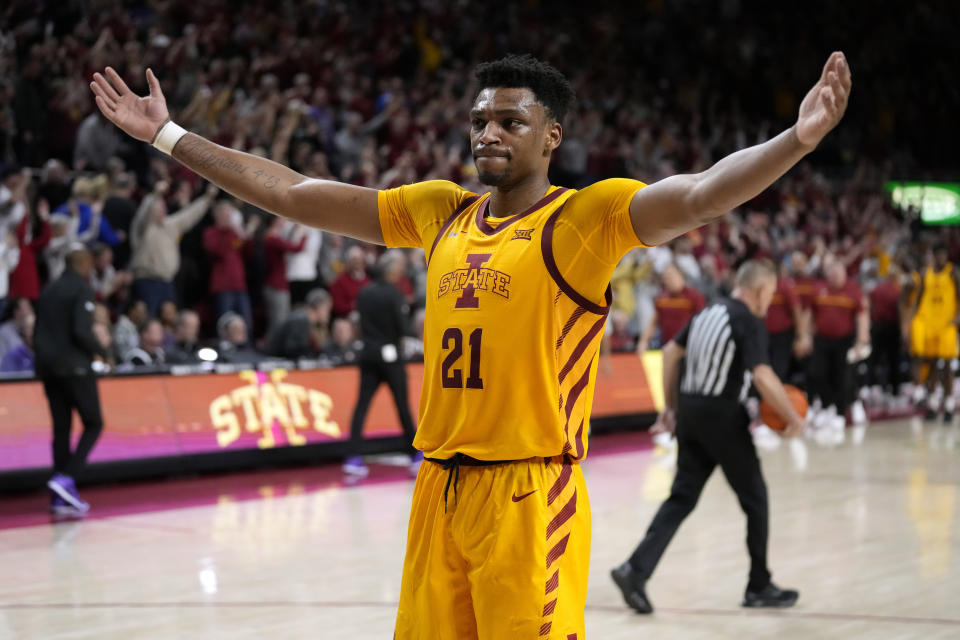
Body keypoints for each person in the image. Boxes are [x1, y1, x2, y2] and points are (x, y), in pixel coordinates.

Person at [91, 50, 851, 638]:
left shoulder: (587, 220)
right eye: (480, 119)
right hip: (439, 489)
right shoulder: (439, 212)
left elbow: (701, 193)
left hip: (528, 493)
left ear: (552, 136)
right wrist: (166, 134)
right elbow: (292, 193)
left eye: (510, 122)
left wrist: (796, 138)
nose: (488, 132)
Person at [611, 260, 805, 613]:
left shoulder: (707, 311)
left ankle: (634, 569)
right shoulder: (748, 319)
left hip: (689, 411)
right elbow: (762, 376)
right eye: (771, 293)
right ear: (761, 290)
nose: (770, 300)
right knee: (756, 499)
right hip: (721, 415)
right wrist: (793, 417)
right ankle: (759, 585)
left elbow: (670, 354)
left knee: (681, 498)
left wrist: (668, 407)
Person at [34, 246, 109, 517]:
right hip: (74, 367)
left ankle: (60, 498)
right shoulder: (81, 288)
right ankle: (66, 478)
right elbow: (81, 330)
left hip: (47, 368)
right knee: (94, 422)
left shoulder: (49, 290)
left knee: (61, 429)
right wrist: (103, 351)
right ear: (83, 263)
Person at [343, 251, 420, 477]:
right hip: (391, 358)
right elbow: (403, 329)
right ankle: (415, 455)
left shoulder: (364, 293)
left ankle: (352, 456)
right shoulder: (395, 295)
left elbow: (359, 325)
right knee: (402, 406)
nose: (401, 273)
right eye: (399, 268)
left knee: (362, 406)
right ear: (391, 270)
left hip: (368, 355)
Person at [130, 179, 217, 315]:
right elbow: (144, 214)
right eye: (158, 207)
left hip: (167, 281)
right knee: (147, 318)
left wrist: (207, 198)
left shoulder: (170, 225)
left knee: (170, 319)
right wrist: (156, 194)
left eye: (162, 206)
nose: (162, 209)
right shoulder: (144, 227)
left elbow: (189, 215)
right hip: (147, 280)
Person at [807, 259, 870, 440]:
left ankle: (840, 413)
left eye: (838, 274)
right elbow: (810, 314)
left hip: (845, 340)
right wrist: (807, 336)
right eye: (831, 274)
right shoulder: (819, 289)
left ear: (844, 274)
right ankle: (827, 406)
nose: (834, 278)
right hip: (822, 339)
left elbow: (862, 315)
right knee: (817, 373)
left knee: (843, 376)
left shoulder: (853, 290)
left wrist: (861, 340)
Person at [908, 244, 959, 422]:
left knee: (947, 366)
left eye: (943, 254)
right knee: (930, 365)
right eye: (937, 254)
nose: (940, 257)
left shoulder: (954, 273)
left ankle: (949, 405)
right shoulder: (925, 274)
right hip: (929, 323)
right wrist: (912, 319)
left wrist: (958, 317)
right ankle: (931, 403)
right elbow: (918, 298)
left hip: (947, 324)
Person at [636, 262, 706, 356]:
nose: (668, 280)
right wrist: (643, 342)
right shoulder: (662, 299)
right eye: (665, 278)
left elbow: (703, 322)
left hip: (689, 348)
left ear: (681, 276)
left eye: (671, 276)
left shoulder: (694, 297)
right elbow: (653, 323)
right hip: (668, 348)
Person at [265, 287, 332, 359]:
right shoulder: (301, 320)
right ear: (320, 307)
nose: (328, 314)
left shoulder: (302, 317)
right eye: (327, 309)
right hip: (273, 363)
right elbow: (296, 351)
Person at [329, 245, 370, 318]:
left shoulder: (367, 280)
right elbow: (337, 306)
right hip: (345, 317)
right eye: (355, 261)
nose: (358, 264)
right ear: (349, 262)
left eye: (360, 261)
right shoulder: (340, 281)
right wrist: (354, 305)